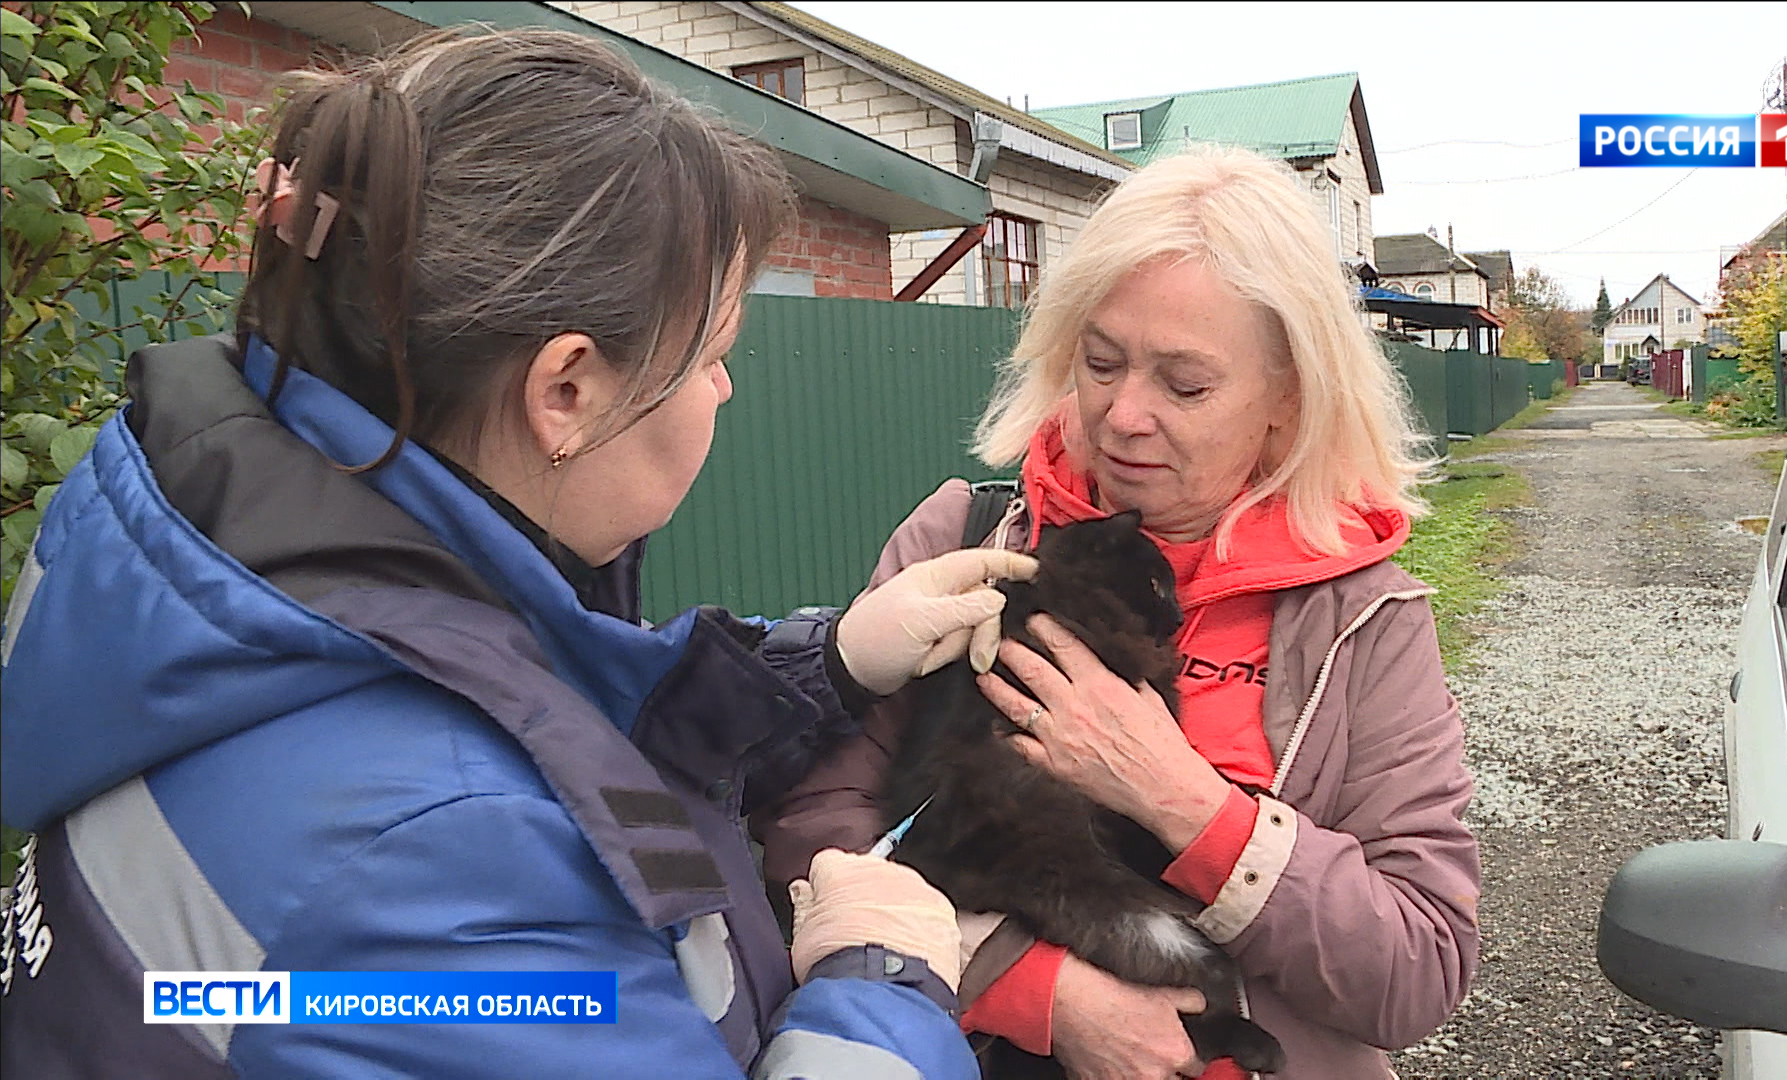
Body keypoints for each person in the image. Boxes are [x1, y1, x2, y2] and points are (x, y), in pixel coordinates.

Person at [0, 28, 1037, 1078]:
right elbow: (489, 828)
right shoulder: (446, 863)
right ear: (567, 391)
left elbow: (542, 730)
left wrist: (832, 662)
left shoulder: (236, 559)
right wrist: (880, 985)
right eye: (714, 355)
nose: (723, 389)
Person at [757, 148, 1480, 1079]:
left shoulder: (1361, 614)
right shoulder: (961, 540)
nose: (1123, 415)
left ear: (1288, 399)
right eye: (1101, 362)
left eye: (1185, 384)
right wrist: (1035, 989)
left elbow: (1416, 970)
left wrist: (1182, 800)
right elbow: (815, 833)